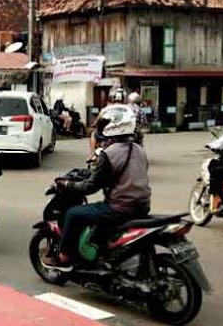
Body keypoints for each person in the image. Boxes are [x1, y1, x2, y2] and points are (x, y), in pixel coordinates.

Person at [45, 104, 151, 272]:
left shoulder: (108, 154)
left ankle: (64, 257)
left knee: (73, 214)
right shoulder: (139, 150)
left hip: (119, 208)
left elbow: (90, 187)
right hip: (142, 206)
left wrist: (67, 184)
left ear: (113, 126)